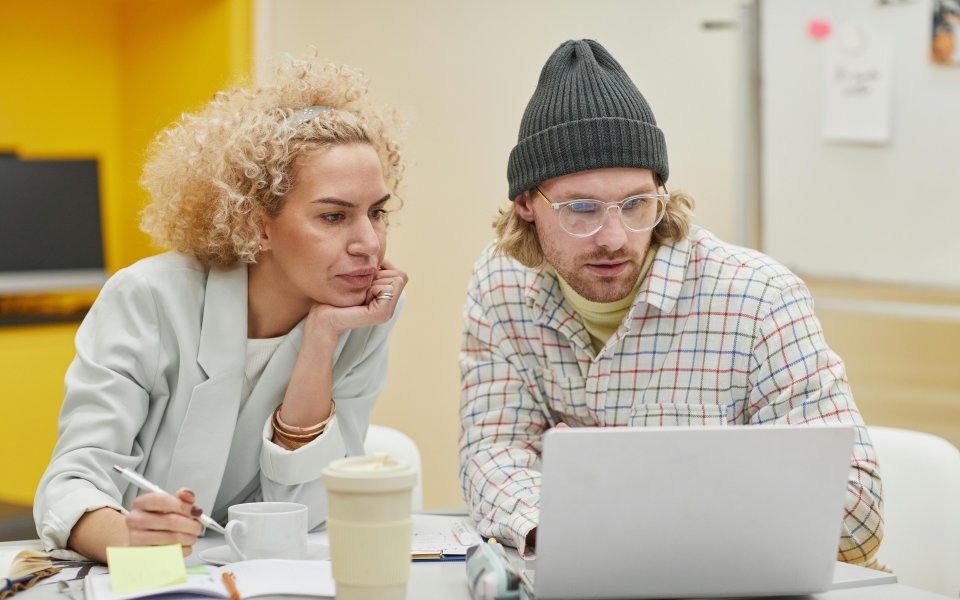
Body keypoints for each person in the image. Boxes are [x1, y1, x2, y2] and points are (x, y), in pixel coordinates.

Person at [458, 39, 883, 567]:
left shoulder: (759, 298)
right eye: (582, 209)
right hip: (582, 576)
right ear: (526, 204)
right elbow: (489, 454)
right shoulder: (501, 285)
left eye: (636, 204)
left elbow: (858, 515)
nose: (614, 237)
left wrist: (620, 487)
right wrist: (563, 524)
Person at [34, 54, 408, 562]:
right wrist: (130, 541)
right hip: (137, 580)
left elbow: (309, 508)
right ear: (259, 226)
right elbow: (70, 483)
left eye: (377, 213)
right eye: (334, 215)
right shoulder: (148, 298)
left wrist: (321, 339)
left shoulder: (361, 316)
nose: (368, 243)